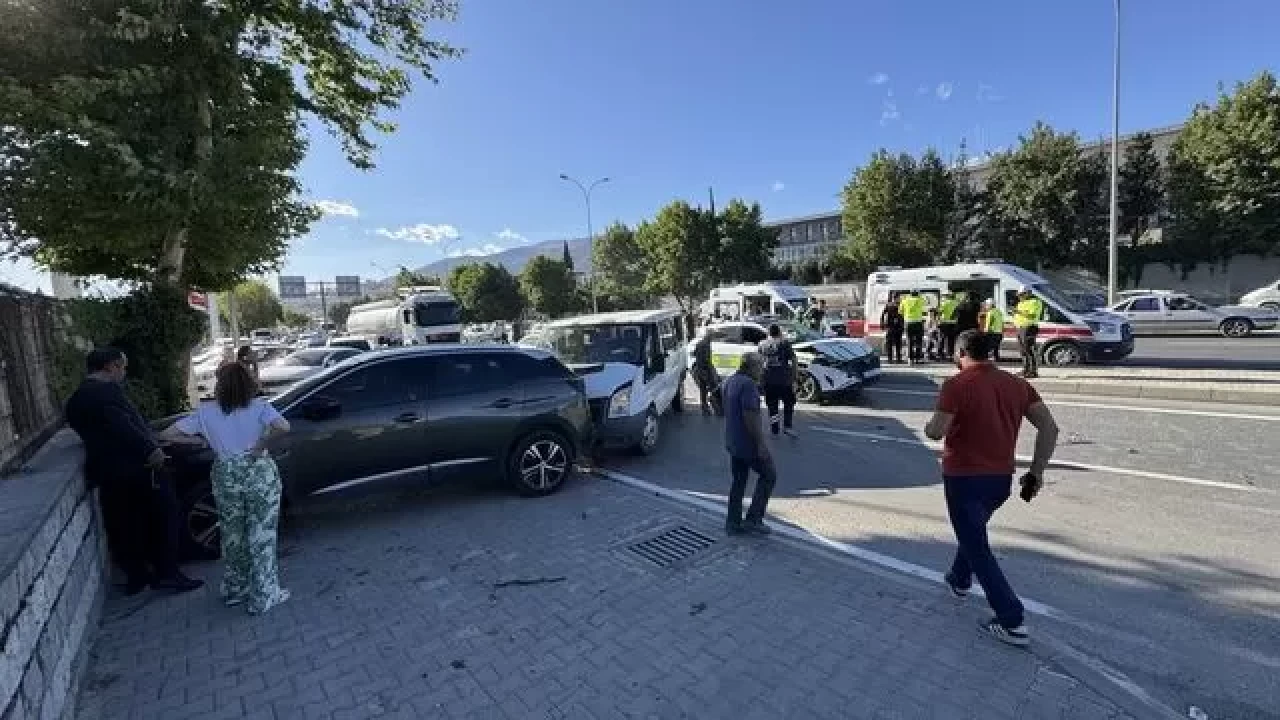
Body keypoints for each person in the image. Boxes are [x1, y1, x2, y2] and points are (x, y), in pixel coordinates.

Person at [924, 330, 1059, 647]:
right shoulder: (1017, 384)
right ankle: (959, 578)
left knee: (977, 547)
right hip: (1000, 481)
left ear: (960, 352)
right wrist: (1036, 472)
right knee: (973, 532)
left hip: (963, 479)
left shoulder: (956, 385)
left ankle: (1012, 620)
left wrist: (930, 427)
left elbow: (936, 431)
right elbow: (1050, 428)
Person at [65, 347, 204, 596]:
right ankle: (167, 574)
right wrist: (152, 451)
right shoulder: (107, 393)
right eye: (123, 366)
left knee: (126, 526)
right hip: (139, 470)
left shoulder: (76, 399)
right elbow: (124, 427)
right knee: (164, 518)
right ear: (110, 366)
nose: (124, 372)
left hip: (107, 473)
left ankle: (137, 577)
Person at [161, 362, 292, 614]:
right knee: (261, 533)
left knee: (232, 534)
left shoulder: (207, 412)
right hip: (258, 472)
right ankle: (264, 594)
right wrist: (262, 443)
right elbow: (284, 427)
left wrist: (200, 441)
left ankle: (236, 589)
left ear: (220, 385)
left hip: (226, 474)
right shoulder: (260, 408)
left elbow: (167, 434)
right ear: (249, 384)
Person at [720, 353, 776, 536]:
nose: (762, 371)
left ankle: (733, 523)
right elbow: (750, 417)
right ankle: (753, 519)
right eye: (760, 366)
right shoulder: (748, 385)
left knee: (739, 481)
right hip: (747, 444)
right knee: (769, 475)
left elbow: (718, 403)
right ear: (751, 367)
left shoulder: (730, 381)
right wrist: (760, 444)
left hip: (733, 441)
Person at [756, 324, 798, 437]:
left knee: (772, 405)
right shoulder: (784, 343)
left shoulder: (761, 345)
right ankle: (787, 426)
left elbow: (759, 363)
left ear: (768, 333)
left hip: (768, 381)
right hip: (784, 381)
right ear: (779, 332)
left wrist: (759, 380)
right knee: (789, 403)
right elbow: (793, 360)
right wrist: (794, 377)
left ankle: (774, 429)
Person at [1012, 287, 1043, 378]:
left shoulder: (1035, 302)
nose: (1019, 297)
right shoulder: (1021, 303)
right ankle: (1026, 369)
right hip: (1020, 328)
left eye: (1021, 294)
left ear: (1028, 293)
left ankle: (1033, 371)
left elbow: (1032, 315)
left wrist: (1018, 312)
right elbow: (1019, 315)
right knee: (1023, 350)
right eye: (1019, 295)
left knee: (1029, 349)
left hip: (1029, 328)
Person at [691, 329, 722, 416]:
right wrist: (712, 372)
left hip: (700, 369)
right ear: (709, 336)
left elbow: (694, 353)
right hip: (705, 370)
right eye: (712, 336)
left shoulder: (701, 343)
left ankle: (705, 409)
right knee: (711, 388)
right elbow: (707, 360)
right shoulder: (705, 344)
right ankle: (715, 409)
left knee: (703, 390)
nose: (713, 338)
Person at [899, 289, 927, 365]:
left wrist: (906, 315)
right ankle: (918, 358)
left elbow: (900, 311)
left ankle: (910, 359)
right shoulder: (920, 300)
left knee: (909, 341)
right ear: (917, 294)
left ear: (910, 294)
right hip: (918, 322)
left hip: (908, 323)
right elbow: (925, 305)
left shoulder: (905, 300)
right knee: (919, 341)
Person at [880, 294, 905, 364]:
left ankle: (892, 359)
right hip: (894, 327)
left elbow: (883, 315)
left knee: (893, 344)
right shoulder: (898, 305)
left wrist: (882, 325)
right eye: (899, 298)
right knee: (895, 344)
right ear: (896, 298)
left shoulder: (889, 305)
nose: (899, 299)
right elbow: (902, 316)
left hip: (892, 327)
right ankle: (896, 359)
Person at [938, 292, 959, 360]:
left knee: (942, 339)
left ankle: (940, 353)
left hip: (945, 323)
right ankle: (951, 354)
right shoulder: (957, 303)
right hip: (954, 323)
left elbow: (939, 312)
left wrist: (938, 320)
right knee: (952, 339)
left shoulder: (944, 303)